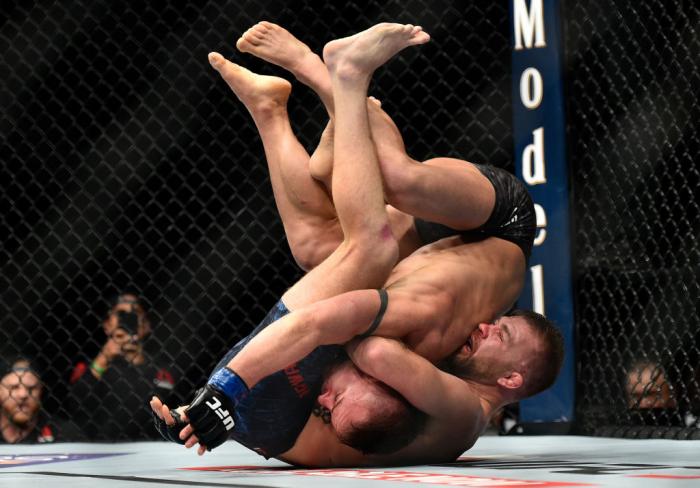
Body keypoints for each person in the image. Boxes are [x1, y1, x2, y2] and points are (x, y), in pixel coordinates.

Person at [152, 23, 563, 467]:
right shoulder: (433, 339)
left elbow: (370, 349)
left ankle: (272, 110)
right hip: (501, 221)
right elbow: (362, 343)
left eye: (498, 330)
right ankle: (335, 74)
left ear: (511, 378)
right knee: (396, 190)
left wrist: (208, 404)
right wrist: (226, 390)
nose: (485, 324)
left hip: (425, 264)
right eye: (499, 322)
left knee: (316, 248)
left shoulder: (454, 389)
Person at [69, 293, 175, 440]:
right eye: (121, 313)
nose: (128, 317)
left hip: (152, 447)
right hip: (101, 447)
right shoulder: (91, 365)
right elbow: (74, 404)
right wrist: (104, 357)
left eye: (135, 313)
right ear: (107, 325)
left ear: (145, 326)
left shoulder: (163, 371)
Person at [0, 357, 55, 444]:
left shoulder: (64, 433)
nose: (23, 395)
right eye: (14, 388)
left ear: (40, 391)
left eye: (31, 388)